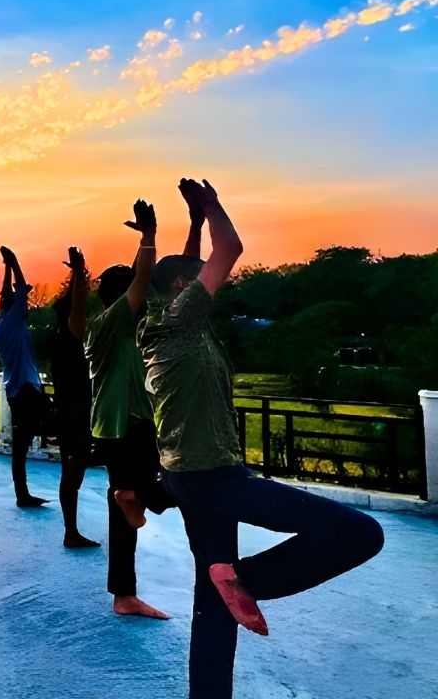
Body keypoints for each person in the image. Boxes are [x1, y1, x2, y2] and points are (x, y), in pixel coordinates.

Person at [141, 179, 383, 699]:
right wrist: (213, 206)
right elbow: (230, 251)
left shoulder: (168, 324)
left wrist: (192, 224)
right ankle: (249, 580)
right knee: (361, 534)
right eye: (201, 279)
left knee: (212, 600)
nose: (214, 280)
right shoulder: (183, 322)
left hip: (185, 476)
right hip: (213, 477)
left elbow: (187, 266)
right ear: (186, 291)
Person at [81, 202, 172, 619]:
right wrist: (148, 237)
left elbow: (135, 281)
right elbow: (140, 281)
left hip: (110, 428)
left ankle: (124, 595)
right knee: (173, 485)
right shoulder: (116, 321)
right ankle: (137, 495)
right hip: (129, 424)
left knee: (122, 514)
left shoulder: (107, 326)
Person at [0, 246, 51, 507]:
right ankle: (22, 495)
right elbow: (22, 288)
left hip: (18, 391)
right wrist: (14, 262)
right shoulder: (14, 321)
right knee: (42, 432)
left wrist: (5, 269)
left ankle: (22, 493)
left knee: (21, 445)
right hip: (27, 390)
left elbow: (7, 295)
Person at [49, 249, 99, 548]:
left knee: (71, 473)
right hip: (76, 412)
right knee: (74, 473)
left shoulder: (57, 335)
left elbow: (74, 301)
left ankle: (71, 530)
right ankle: (71, 532)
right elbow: (78, 304)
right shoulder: (71, 333)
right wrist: (79, 273)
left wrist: (76, 274)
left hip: (68, 410)